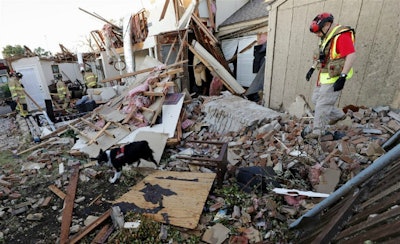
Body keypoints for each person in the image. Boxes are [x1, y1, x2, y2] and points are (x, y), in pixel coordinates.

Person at [304, 12, 356, 139]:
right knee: (316, 99)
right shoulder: (326, 36)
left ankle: (318, 131)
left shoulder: (341, 36)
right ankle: (339, 116)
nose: (317, 35)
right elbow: (322, 55)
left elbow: (351, 55)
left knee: (323, 104)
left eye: (318, 32)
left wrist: (343, 76)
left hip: (336, 76)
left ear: (327, 25)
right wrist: (312, 68)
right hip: (325, 75)